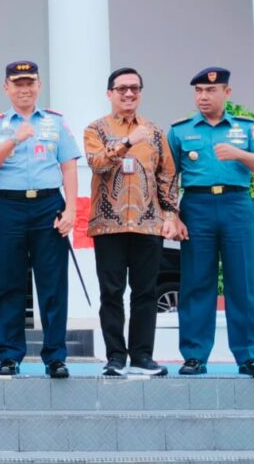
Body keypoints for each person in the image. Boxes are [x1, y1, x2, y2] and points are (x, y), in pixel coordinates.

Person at [0, 60, 80, 379]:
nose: (24, 89)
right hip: (9, 207)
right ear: (7, 88)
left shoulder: (55, 123)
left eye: (30, 83)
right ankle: (9, 356)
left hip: (49, 205)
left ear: (39, 86)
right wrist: (14, 140)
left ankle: (55, 356)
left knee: (52, 284)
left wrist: (72, 210)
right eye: (18, 84)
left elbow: (69, 167)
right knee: (8, 282)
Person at [168, 66, 254, 378]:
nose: (203, 96)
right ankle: (194, 356)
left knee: (241, 282)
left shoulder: (246, 128)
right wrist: (172, 215)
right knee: (196, 283)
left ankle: (248, 355)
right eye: (199, 90)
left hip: (236, 205)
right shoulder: (181, 130)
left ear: (226, 93)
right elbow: (167, 178)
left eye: (210, 90)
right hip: (196, 206)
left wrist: (239, 154)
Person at [84, 67, 183, 376]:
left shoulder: (154, 132)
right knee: (111, 292)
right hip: (108, 224)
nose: (129, 94)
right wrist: (127, 141)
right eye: (122, 88)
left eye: (135, 88)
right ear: (110, 93)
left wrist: (171, 214)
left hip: (147, 223)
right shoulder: (96, 129)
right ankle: (115, 356)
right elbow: (97, 162)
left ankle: (142, 355)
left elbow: (167, 175)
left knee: (145, 292)